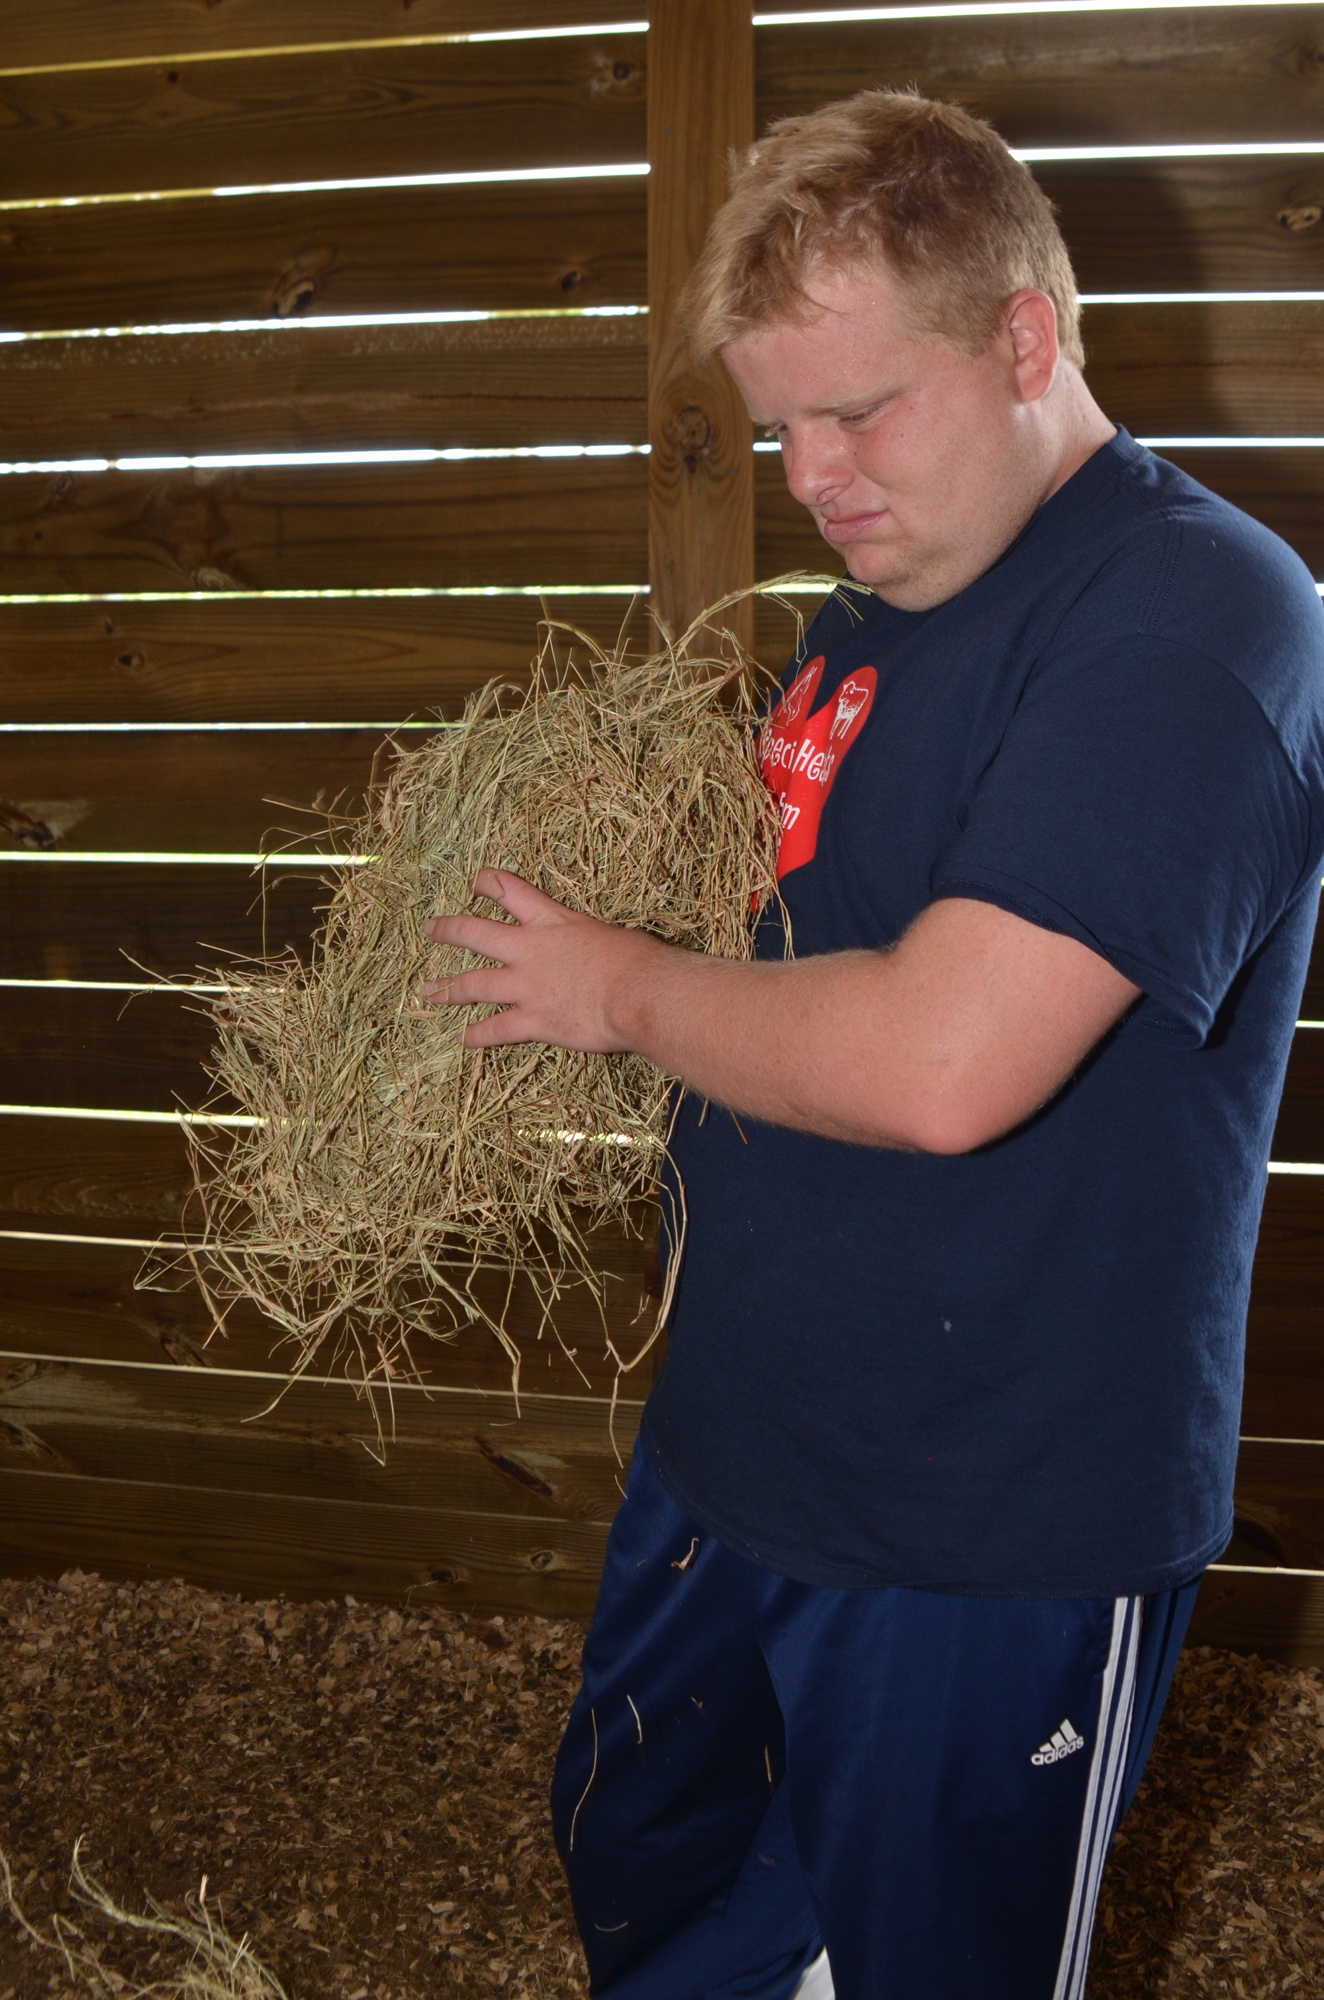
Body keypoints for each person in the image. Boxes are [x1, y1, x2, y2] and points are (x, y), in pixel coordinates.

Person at [423, 90, 1324, 2000]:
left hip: (982, 1521)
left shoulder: (1193, 619)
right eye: (779, 426)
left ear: (1025, 338)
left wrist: (615, 986)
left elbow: (943, 1060)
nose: (812, 474)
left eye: (857, 412)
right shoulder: (887, 597)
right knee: (664, 1898)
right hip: (746, 1450)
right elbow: (804, 957)